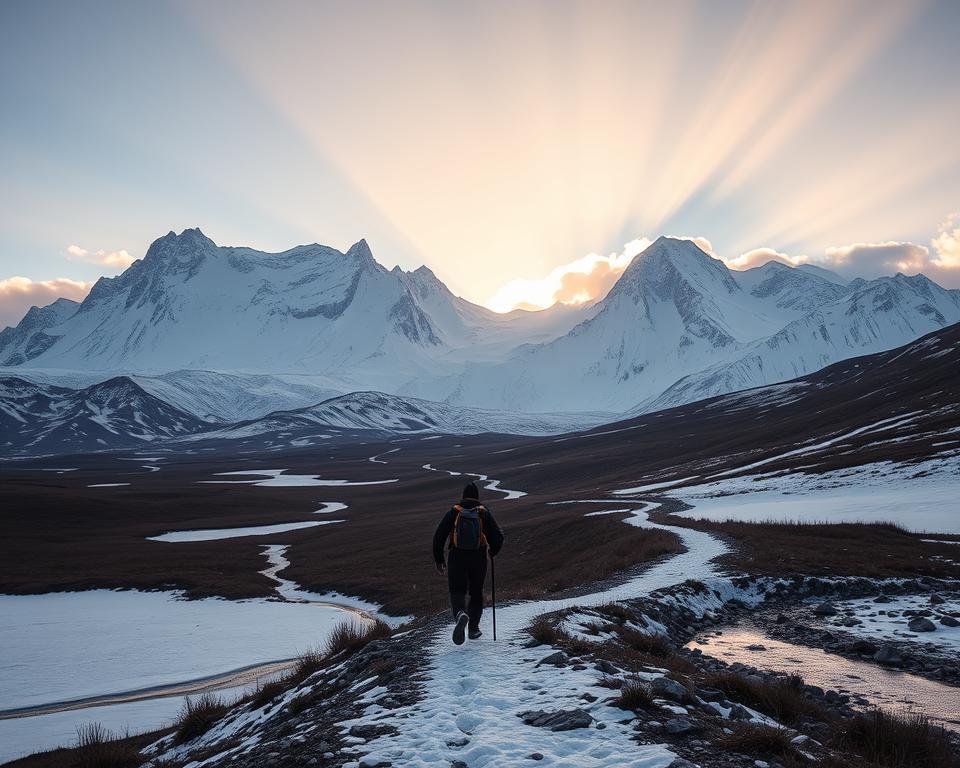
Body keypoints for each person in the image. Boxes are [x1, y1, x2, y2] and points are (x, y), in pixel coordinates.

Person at [432, 481, 504, 644]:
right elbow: (498, 538)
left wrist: (439, 560)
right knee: (476, 592)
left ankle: (459, 614)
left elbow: (438, 536)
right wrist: (493, 551)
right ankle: (473, 629)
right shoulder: (483, 512)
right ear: (477, 496)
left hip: (457, 556)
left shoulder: (454, 511)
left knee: (457, 590)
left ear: (463, 496)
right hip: (478, 557)